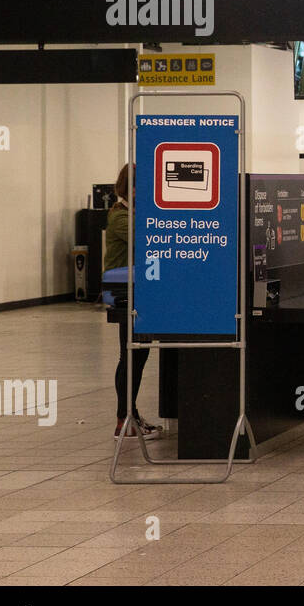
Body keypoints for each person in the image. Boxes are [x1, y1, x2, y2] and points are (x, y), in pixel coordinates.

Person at [106, 163, 162, 441]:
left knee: (138, 354)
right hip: (124, 293)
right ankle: (123, 420)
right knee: (130, 355)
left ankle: (131, 416)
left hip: (140, 291)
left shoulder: (134, 213)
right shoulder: (120, 217)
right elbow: (148, 239)